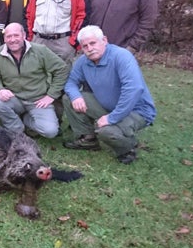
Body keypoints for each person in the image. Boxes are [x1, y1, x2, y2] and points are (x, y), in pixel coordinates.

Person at [63, 25, 156, 164]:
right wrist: (76, 96)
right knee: (69, 99)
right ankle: (88, 139)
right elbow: (71, 82)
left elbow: (134, 89)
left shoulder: (121, 56)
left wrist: (112, 118)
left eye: (93, 43)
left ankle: (128, 147)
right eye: (85, 46)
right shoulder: (83, 61)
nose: (89, 48)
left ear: (104, 40)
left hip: (137, 111)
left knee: (106, 131)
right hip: (108, 105)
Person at [0, 23, 68, 138]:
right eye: (9, 36)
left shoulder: (40, 51)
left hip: (38, 100)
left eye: (16, 35)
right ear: (4, 38)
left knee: (50, 131)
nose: (13, 40)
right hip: (14, 98)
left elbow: (62, 69)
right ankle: (16, 129)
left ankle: (26, 120)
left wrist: (51, 95)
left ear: (24, 35)